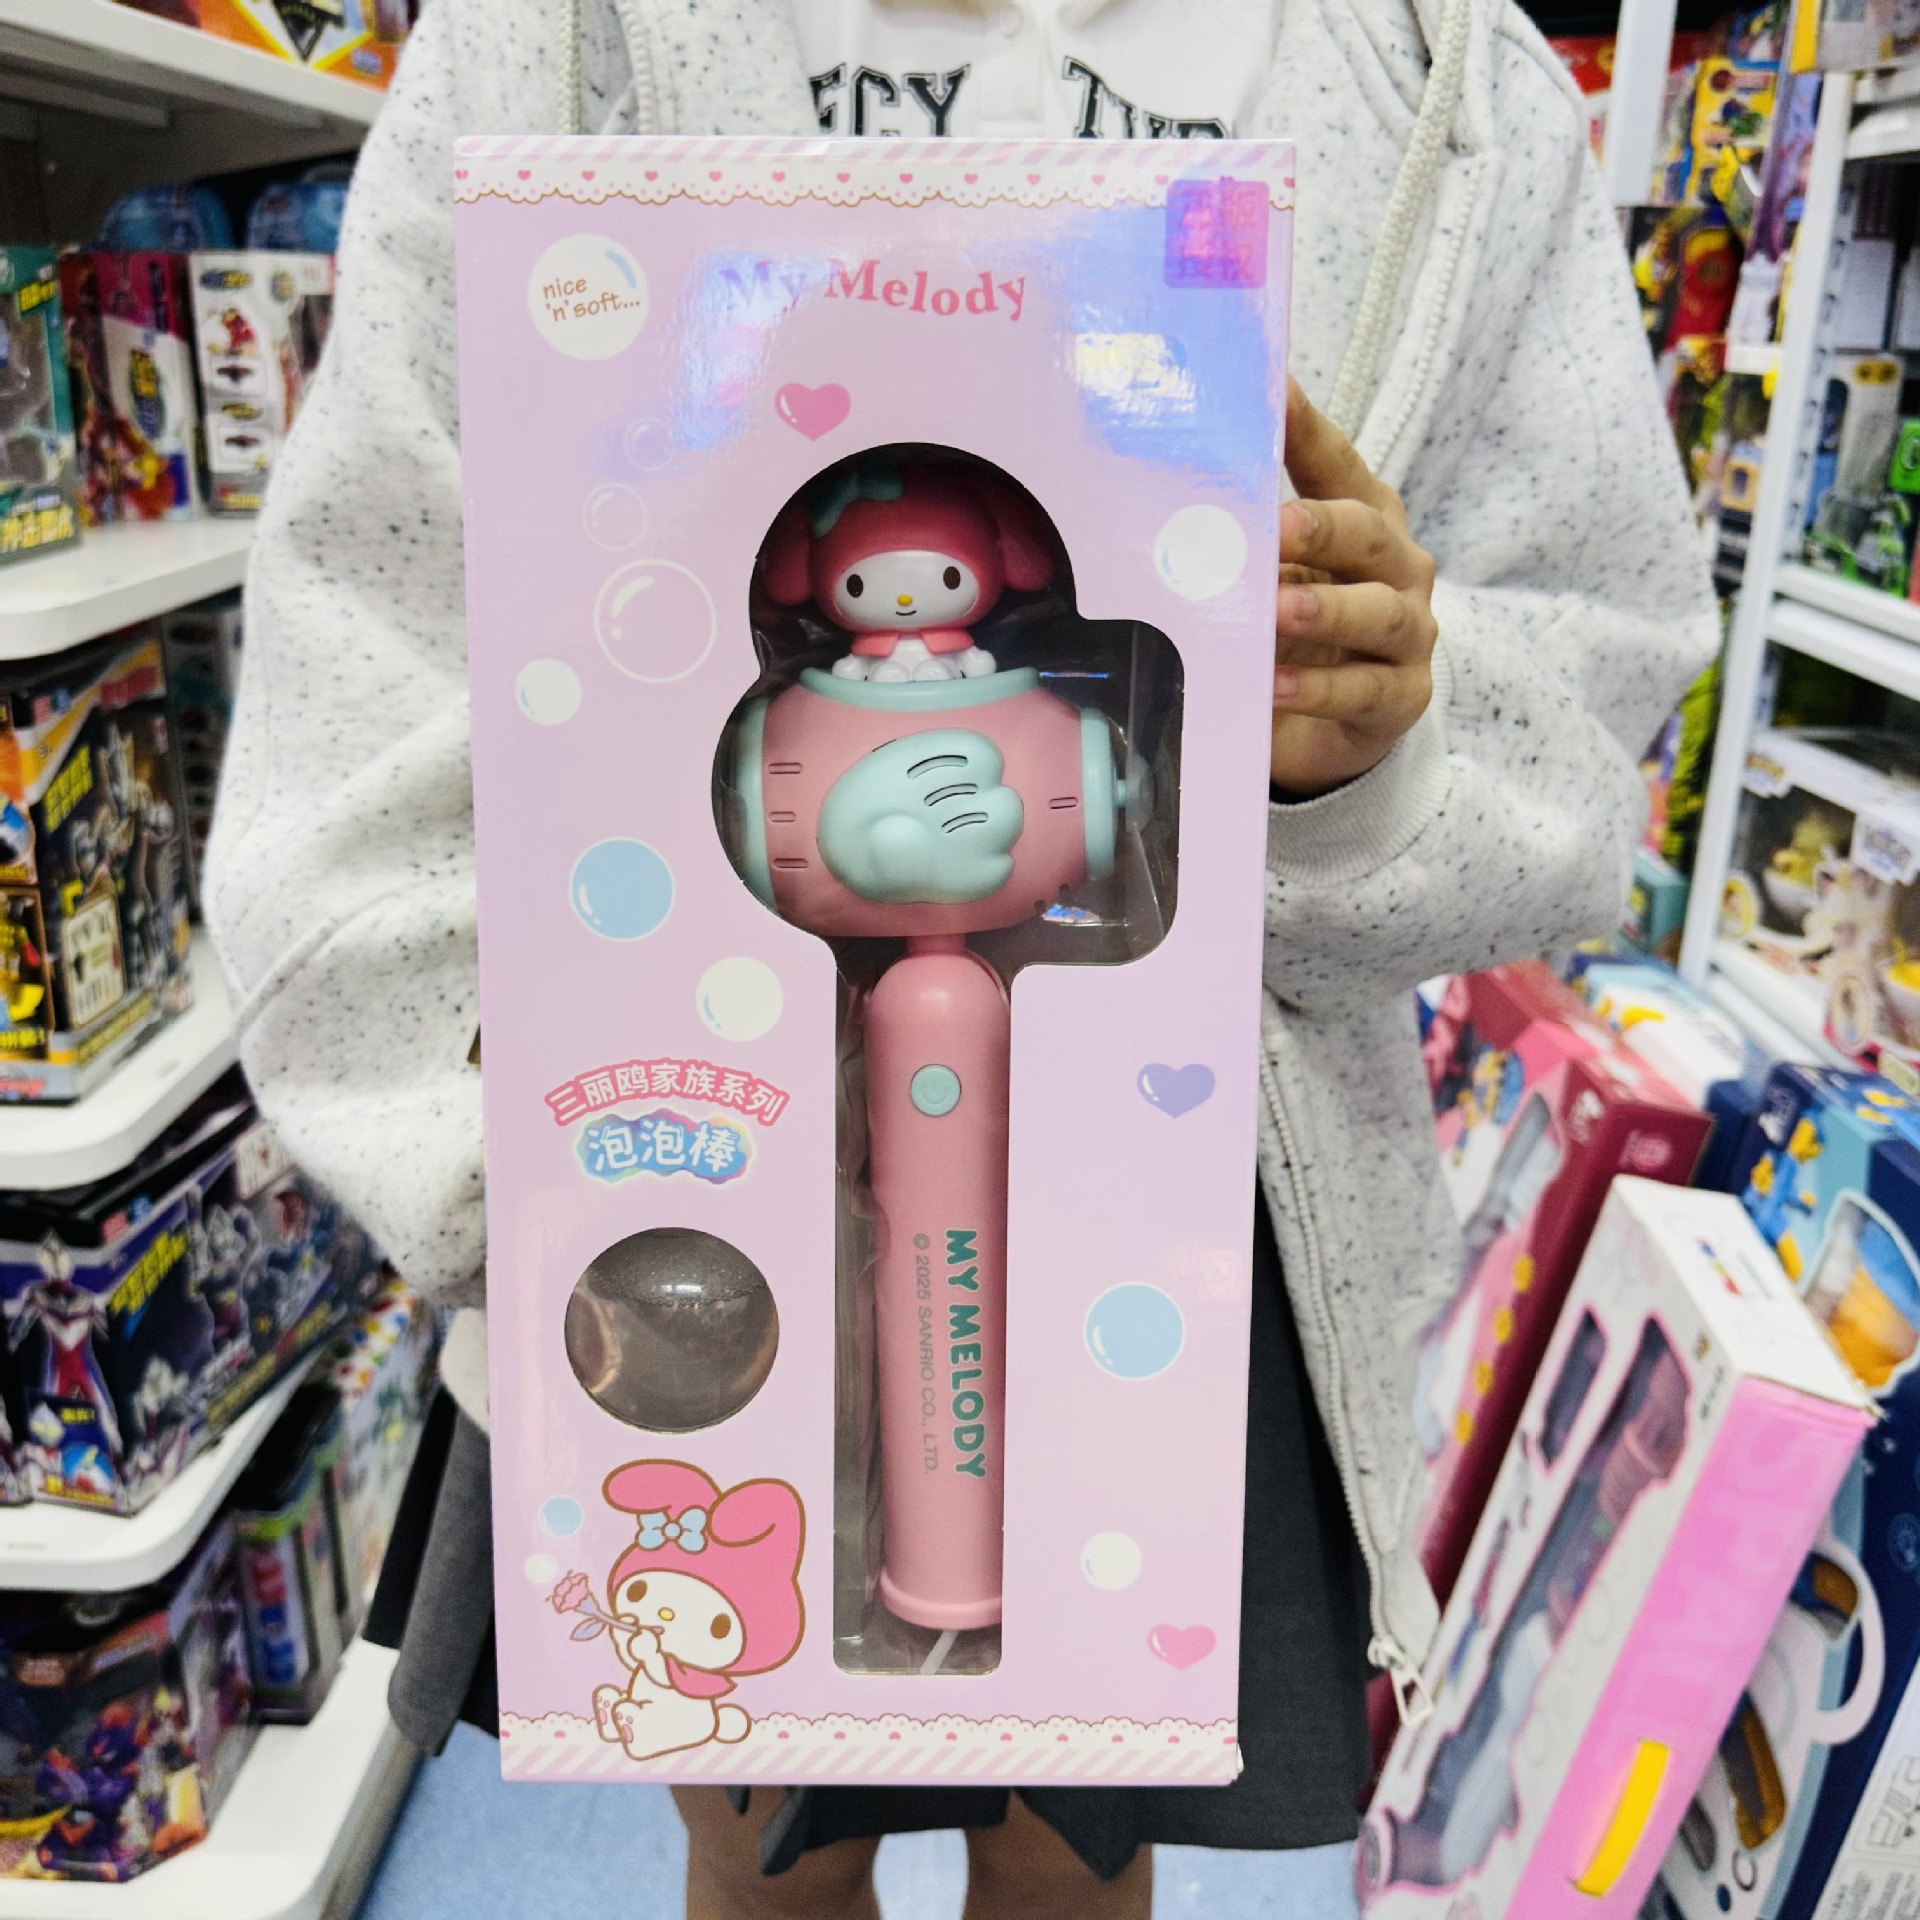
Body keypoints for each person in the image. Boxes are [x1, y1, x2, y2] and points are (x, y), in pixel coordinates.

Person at [202, 0, 1717, 1914]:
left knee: (1083, 1840)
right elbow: (372, 637)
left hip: (1189, 1227)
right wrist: (523, 1180)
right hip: (684, 1183)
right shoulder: (556, 39)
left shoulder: (1443, 77)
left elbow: (1589, 682)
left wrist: (1363, 757)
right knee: (751, 1823)